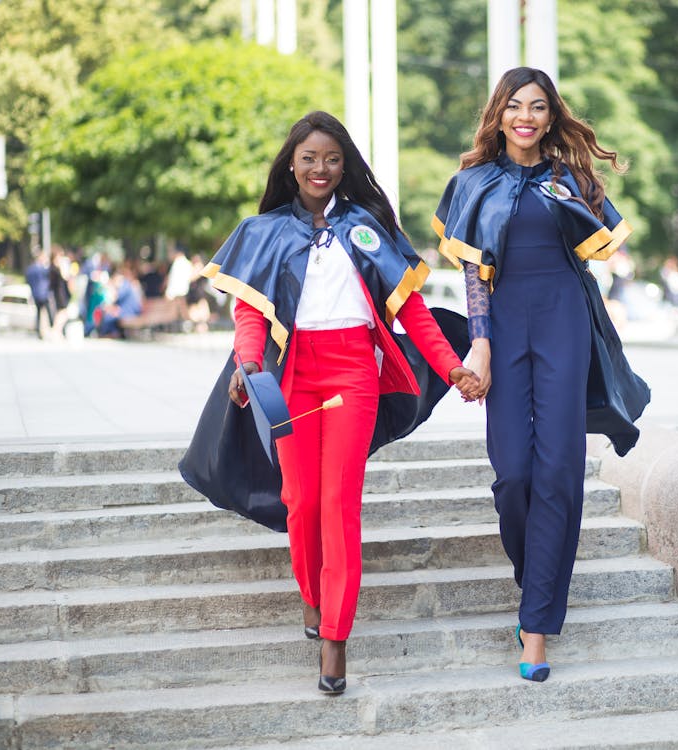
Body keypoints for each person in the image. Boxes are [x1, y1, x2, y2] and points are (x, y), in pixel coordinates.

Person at [179, 111, 481, 695]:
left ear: (346, 166)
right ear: (291, 163)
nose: (321, 168)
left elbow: (411, 312)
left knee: (339, 504)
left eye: (333, 159)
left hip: (351, 374)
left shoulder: (368, 227)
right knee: (300, 501)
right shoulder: (263, 230)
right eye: (310, 158)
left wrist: (451, 366)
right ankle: (313, 602)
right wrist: (248, 364)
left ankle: (336, 640)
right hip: (292, 377)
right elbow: (249, 316)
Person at [433, 67, 650, 683]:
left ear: (551, 118)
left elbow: (599, 247)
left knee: (558, 469)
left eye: (538, 108)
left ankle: (536, 631)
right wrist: (478, 344)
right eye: (514, 106)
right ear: (498, 114)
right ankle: (540, 584)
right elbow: (475, 274)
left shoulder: (570, 179)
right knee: (515, 476)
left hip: (562, 321)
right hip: (501, 327)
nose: (525, 117)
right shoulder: (471, 182)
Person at [25, 250, 53, 339]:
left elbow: (28, 281)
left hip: (35, 293)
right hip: (43, 293)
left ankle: (38, 331)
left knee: (38, 313)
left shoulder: (30, 269)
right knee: (49, 313)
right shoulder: (43, 269)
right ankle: (52, 328)